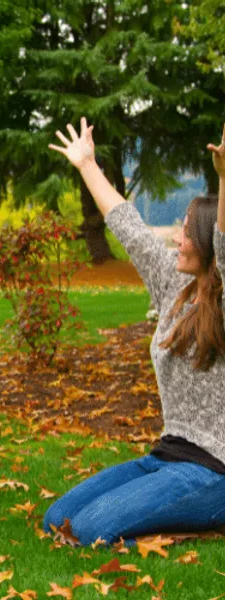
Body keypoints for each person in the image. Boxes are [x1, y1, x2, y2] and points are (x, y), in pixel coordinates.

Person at [43, 118, 225, 546]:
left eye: (186, 231)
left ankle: (202, 525)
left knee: (87, 531)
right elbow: (129, 227)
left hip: (212, 469)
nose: (178, 239)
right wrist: (87, 164)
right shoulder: (174, 290)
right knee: (59, 519)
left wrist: (224, 177)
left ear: (207, 242)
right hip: (166, 456)